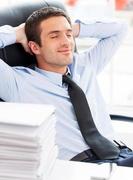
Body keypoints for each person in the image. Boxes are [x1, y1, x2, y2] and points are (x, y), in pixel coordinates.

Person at [0, 6, 133, 166]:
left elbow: (120, 28)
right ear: (35, 47)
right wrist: (17, 33)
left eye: (68, 35)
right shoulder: (17, 82)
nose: (66, 42)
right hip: (83, 167)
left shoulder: (85, 65)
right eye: (54, 36)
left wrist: (73, 28)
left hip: (122, 153)